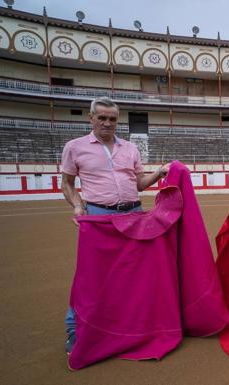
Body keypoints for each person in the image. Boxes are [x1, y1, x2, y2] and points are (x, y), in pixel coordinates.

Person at [60, 96, 169, 354]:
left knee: (136, 272)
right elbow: (66, 184)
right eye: (102, 118)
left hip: (133, 213)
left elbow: (138, 184)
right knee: (90, 276)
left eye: (112, 119)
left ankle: (132, 324)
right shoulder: (75, 147)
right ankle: (74, 329)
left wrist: (157, 174)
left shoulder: (130, 149)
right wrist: (78, 206)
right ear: (91, 118)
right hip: (99, 217)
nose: (107, 123)